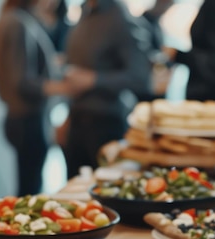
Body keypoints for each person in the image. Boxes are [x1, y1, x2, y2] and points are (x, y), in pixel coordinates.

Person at [61, 0, 152, 177]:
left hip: (107, 123)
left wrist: (94, 80)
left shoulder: (120, 17)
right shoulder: (85, 11)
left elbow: (141, 78)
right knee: (73, 193)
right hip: (78, 120)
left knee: (106, 193)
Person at [0, 0, 71, 196]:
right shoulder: (18, 23)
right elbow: (22, 82)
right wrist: (65, 87)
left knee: (28, 184)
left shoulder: (8, 20)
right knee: (30, 191)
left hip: (18, 117)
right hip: (28, 119)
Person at [136, 0, 174, 101]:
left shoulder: (157, 23)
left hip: (158, 80)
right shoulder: (142, 22)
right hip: (146, 82)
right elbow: (142, 52)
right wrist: (164, 57)